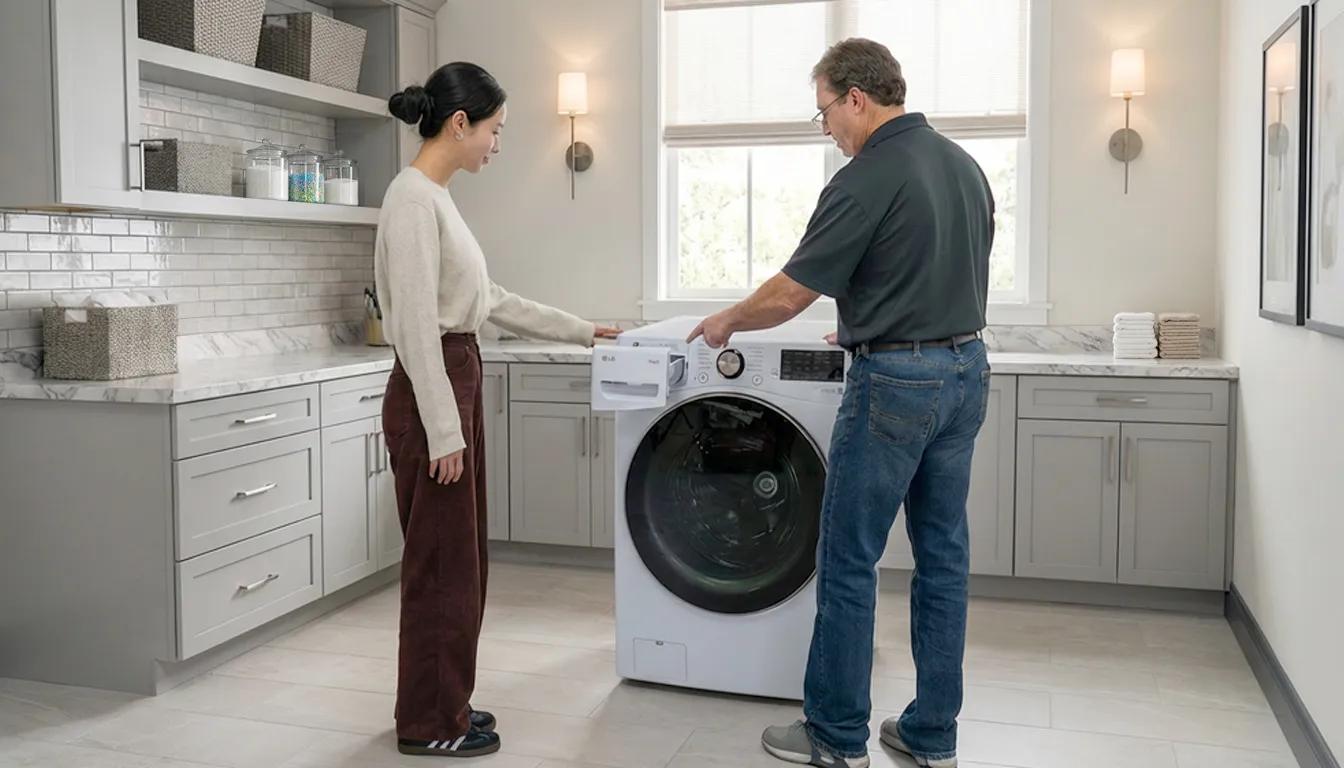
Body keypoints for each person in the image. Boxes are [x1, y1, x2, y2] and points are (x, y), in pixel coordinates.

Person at [687, 38, 995, 768]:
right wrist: (870, 315)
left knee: (850, 558)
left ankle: (835, 736)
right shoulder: (964, 166)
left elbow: (793, 290)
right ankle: (931, 736)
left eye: (824, 109)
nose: (824, 125)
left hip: (895, 384)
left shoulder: (867, 175)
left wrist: (729, 318)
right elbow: (940, 265)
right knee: (943, 556)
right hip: (965, 371)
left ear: (857, 98)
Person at [378, 62, 619, 759]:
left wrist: (582, 328)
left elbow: (491, 300)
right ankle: (429, 725)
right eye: (496, 130)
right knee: (441, 568)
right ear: (460, 123)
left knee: (461, 563)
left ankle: (445, 701)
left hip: (452, 380)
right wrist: (443, 430)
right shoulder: (413, 202)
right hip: (435, 389)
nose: (496, 144)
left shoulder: (435, 199)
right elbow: (420, 328)